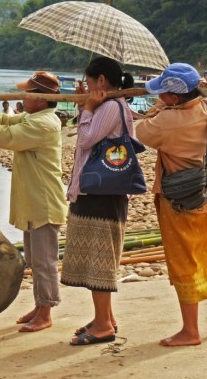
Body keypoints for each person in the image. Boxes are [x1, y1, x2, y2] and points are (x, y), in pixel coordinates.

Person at [0, 71, 67, 333]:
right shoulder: (34, 117)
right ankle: (40, 305)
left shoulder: (44, 124)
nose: (22, 96)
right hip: (32, 202)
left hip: (43, 202)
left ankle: (46, 311)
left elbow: (6, 137)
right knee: (34, 259)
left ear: (41, 99)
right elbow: (6, 120)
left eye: (28, 93)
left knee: (44, 262)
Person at [136, 63, 207, 347]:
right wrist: (164, 107)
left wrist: (158, 109)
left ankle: (190, 331)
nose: (160, 98)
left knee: (184, 261)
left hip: (182, 199)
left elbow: (141, 132)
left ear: (175, 97)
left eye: (164, 94)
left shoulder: (168, 120)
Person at [61, 57, 136, 346]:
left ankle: (104, 325)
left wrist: (89, 108)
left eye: (90, 82)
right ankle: (106, 317)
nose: (88, 87)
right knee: (96, 258)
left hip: (101, 195)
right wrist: (86, 107)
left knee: (99, 260)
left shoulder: (109, 107)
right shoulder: (113, 107)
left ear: (101, 82)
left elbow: (85, 140)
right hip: (99, 193)